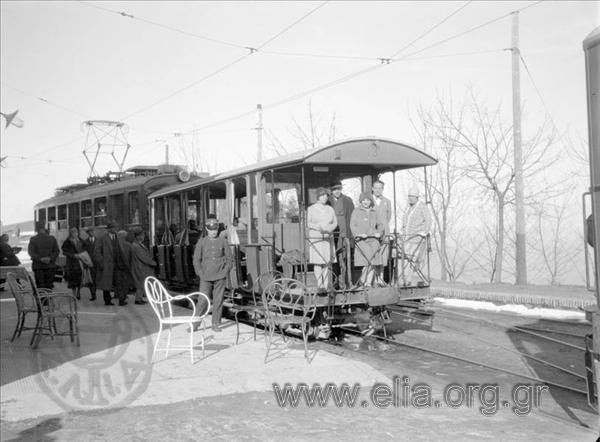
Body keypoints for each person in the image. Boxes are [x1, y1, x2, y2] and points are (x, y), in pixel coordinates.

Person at [193, 217, 233, 332]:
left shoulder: (223, 242)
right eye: (211, 229)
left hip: (220, 276)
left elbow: (230, 259)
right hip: (205, 276)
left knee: (218, 300)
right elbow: (196, 260)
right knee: (202, 300)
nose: (213, 231)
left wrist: (225, 271)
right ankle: (195, 324)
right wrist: (200, 273)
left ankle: (215, 323)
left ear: (218, 229)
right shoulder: (202, 242)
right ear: (206, 229)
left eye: (215, 229)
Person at [307, 187, 338, 290]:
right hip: (316, 237)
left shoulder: (330, 209)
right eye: (322, 195)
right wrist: (319, 227)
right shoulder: (311, 209)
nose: (325, 197)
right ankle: (320, 284)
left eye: (326, 195)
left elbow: (335, 222)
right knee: (318, 262)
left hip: (328, 238)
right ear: (318, 197)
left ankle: (326, 284)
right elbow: (308, 223)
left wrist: (330, 228)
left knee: (326, 261)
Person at [94, 221, 131, 306]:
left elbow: (124, 248)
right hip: (107, 265)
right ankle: (107, 300)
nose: (115, 229)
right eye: (113, 228)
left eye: (116, 227)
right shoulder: (102, 238)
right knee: (106, 283)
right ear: (109, 229)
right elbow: (96, 252)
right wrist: (101, 262)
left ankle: (121, 300)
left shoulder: (119, 238)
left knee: (120, 282)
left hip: (118, 264)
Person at [350, 192, 383, 287]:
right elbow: (353, 225)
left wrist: (379, 233)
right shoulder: (356, 211)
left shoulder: (374, 212)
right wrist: (359, 234)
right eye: (364, 200)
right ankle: (363, 280)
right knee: (368, 260)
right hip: (362, 240)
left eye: (368, 200)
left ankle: (367, 282)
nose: (366, 202)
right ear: (361, 201)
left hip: (373, 239)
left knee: (373, 260)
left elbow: (381, 225)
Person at [401, 187, 432, 285]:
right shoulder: (409, 207)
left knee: (412, 259)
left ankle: (408, 280)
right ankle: (403, 279)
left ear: (417, 197)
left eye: (412, 196)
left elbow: (428, 220)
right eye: (409, 196)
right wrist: (402, 230)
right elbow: (405, 221)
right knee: (405, 258)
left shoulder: (422, 207)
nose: (410, 198)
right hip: (407, 237)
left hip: (417, 238)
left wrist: (424, 232)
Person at [328, 181, 355, 289]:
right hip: (331, 236)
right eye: (335, 189)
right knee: (331, 260)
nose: (337, 191)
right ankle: (332, 283)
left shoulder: (348, 201)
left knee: (344, 260)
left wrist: (350, 235)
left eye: (339, 189)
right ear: (331, 190)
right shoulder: (328, 201)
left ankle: (344, 283)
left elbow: (352, 218)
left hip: (344, 235)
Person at [372, 180, 393, 285]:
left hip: (385, 233)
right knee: (374, 255)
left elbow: (388, 216)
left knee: (383, 256)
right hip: (373, 233)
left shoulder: (387, 201)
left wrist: (384, 227)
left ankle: (380, 279)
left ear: (382, 189)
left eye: (380, 188)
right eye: (376, 188)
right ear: (372, 188)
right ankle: (373, 280)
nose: (378, 190)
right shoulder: (368, 200)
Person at [28, 222, 59, 289]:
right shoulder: (52, 238)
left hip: (38, 266)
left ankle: (42, 299)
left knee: (40, 285)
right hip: (50, 265)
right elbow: (56, 251)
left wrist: (40, 259)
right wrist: (50, 258)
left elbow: (31, 252)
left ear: (36, 230)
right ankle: (48, 297)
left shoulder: (33, 239)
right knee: (49, 284)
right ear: (44, 229)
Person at [130, 228, 155, 305]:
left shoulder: (137, 245)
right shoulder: (136, 246)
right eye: (142, 235)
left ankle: (139, 298)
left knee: (141, 283)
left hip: (140, 267)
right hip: (140, 267)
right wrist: (153, 263)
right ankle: (138, 299)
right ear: (138, 236)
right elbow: (143, 257)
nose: (144, 236)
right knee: (140, 283)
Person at [61, 227, 86, 300]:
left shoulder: (81, 241)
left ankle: (78, 292)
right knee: (72, 279)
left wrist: (82, 255)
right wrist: (73, 255)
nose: (75, 234)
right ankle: (74, 294)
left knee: (79, 278)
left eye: (76, 232)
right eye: (73, 233)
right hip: (71, 263)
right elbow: (64, 252)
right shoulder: (67, 242)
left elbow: (85, 248)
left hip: (80, 262)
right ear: (71, 234)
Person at [82, 227, 98, 301]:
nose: (92, 233)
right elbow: (83, 253)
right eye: (90, 232)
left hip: (98, 262)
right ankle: (93, 294)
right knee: (91, 279)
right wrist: (85, 263)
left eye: (93, 231)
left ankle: (96, 291)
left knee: (97, 278)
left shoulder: (99, 241)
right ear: (88, 233)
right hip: (89, 263)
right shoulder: (85, 242)